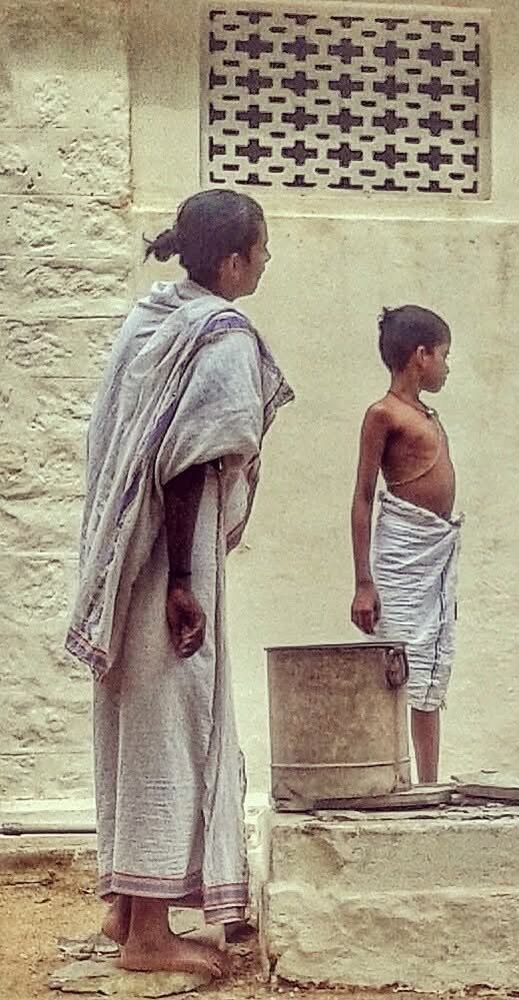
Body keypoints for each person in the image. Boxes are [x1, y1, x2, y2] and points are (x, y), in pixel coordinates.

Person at [65, 189, 294, 976]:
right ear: (232, 260)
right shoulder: (221, 335)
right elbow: (194, 456)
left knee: (136, 720)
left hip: (121, 557)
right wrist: (184, 581)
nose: (266, 260)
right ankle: (151, 938)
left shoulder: (152, 316)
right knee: (169, 726)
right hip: (166, 556)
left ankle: (125, 909)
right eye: (261, 248)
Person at [350, 305, 459, 784]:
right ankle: (389, 776)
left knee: (430, 668)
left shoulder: (426, 414)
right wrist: (363, 582)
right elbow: (362, 499)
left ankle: (428, 782)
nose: (446, 366)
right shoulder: (383, 414)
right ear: (421, 356)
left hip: (434, 553)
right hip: (401, 554)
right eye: (444, 355)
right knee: (396, 663)